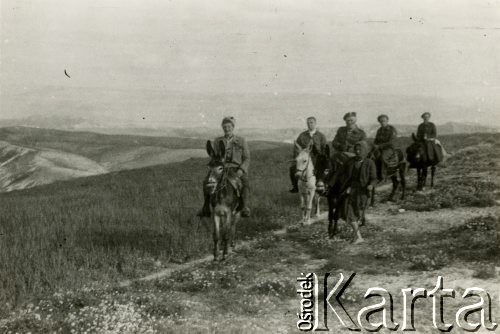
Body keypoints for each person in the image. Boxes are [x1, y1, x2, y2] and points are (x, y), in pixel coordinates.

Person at [198, 116, 251, 217]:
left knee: (245, 182)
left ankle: (244, 207)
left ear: (233, 127)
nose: (227, 129)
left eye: (229, 127)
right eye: (225, 127)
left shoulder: (241, 140)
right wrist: (213, 166)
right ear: (222, 127)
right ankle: (206, 207)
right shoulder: (218, 141)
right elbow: (216, 156)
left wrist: (241, 170)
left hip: (236, 168)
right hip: (221, 168)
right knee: (206, 181)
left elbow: (247, 158)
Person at [331, 141, 376, 243]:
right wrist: (330, 184)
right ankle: (358, 236)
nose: (358, 151)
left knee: (356, 213)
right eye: (356, 149)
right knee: (348, 211)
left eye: (360, 150)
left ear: (364, 151)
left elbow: (374, 178)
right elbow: (339, 172)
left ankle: (357, 235)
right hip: (351, 189)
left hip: (363, 192)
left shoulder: (370, 163)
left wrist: (371, 185)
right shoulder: (350, 161)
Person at [289, 116, 327, 193]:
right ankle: (295, 187)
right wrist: (297, 158)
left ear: (315, 123)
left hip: (317, 159)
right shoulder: (302, 135)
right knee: (292, 169)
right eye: (308, 123)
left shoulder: (321, 136)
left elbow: (324, 148)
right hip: (304, 159)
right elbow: (296, 148)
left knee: (322, 171)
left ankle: (322, 187)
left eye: (311, 122)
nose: (309, 124)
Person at [373, 114, 398, 181]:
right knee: (371, 156)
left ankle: (383, 175)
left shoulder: (391, 129)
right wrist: (374, 145)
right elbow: (376, 139)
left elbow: (391, 142)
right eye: (381, 121)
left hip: (389, 148)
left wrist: (379, 146)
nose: (382, 123)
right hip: (379, 148)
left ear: (387, 121)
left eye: (384, 121)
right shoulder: (379, 130)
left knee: (383, 157)